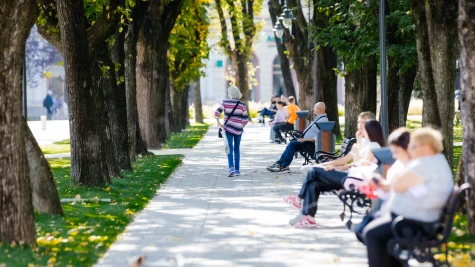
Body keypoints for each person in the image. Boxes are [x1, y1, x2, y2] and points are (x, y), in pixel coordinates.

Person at [362, 128, 454, 267]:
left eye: (413, 146)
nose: (410, 149)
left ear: (425, 147)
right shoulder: (434, 160)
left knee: (372, 234)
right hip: (420, 219)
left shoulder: (425, 163)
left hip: (416, 223)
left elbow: (398, 185)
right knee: (372, 229)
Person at [283, 117, 385, 228]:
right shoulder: (364, 143)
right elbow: (347, 160)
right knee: (314, 184)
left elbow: (362, 165)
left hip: (355, 180)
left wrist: (341, 166)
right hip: (351, 176)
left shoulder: (374, 146)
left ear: (370, 131)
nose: (361, 129)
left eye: (364, 127)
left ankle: (298, 200)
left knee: (313, 171)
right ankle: (309, 218)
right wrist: (328, 165)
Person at [267, 102, 328, 172]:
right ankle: (280, 163)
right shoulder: (318, 118)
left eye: (315, 108)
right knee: (292, 143)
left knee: (293, 144)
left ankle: (284, 165)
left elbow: (321, 137)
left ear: (319, 109)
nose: (313, 110)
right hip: (306, 141)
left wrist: (305, 139)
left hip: (309, 143)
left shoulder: (323, 120)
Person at [215, 86, 249, 177]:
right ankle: (237, 170)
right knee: (237, 148)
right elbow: (245, 119)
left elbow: (217, 113)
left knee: (229, 148)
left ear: (230, 93)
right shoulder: (242, 104)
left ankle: (231, 169)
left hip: (228, 128)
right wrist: (241, 126)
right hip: (238, 130)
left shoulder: (225, 102)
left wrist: (219, 123)